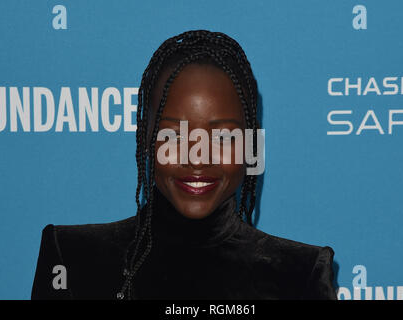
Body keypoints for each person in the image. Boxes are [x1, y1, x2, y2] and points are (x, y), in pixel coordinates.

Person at [31, 30, 337, 300]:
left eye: (223, 136)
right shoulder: (72, 258)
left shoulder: (300, 275)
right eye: (175, 135)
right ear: (147, 139)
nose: (198, 156)